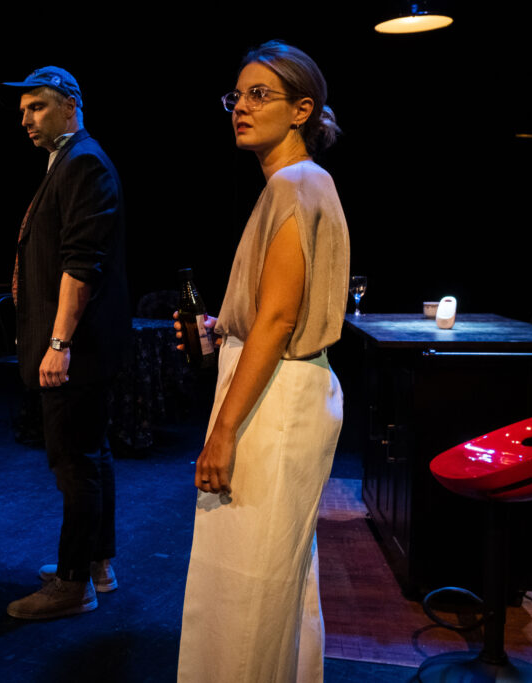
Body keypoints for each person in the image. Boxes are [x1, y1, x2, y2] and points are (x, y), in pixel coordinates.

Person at [175, 41, 349, 682]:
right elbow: (272, 310)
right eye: (236, 96)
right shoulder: (298, 184)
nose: (241, 108)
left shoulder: (296, 184)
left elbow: (278, 320)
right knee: (278, 576)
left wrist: (222, 430)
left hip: (275, 398)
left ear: (302, 110)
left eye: (259, 95)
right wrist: (225, 327)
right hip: (280, 385)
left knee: (247, 586)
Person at [0, 66, 129, 619]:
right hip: (82, 347)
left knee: (74, 464)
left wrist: (58, 342)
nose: (25, 119)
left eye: (37, 107)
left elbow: (82, 263)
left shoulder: (83, 162)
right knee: (91, 456)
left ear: (70, 105)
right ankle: (97, 564)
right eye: (23, 111)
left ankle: (73, 585)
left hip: (77, 348)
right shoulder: (69, 161)